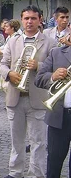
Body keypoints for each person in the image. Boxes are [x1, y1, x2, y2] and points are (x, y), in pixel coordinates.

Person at [0, 5, 56, 178]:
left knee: (38, 142)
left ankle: (35, 174)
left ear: (40, 20)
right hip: (15, 97)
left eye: (33, 18)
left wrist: (39, 66)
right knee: (17, 141)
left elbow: (55, 70)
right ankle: (15, 172)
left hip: (38, 98)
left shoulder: (50, 42)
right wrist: (9, 73)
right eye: (26, 18)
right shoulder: (13, 41)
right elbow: (2, 64)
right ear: (22, 20)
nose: (29, 21)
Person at [35, 43, 71, 178]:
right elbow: (39, 79)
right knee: (54, 163)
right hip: (59, 116)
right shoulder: (56, 53)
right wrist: (53, 76)